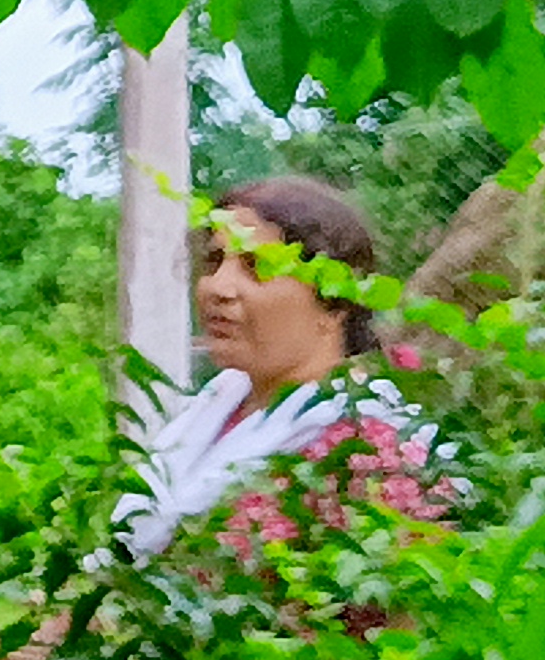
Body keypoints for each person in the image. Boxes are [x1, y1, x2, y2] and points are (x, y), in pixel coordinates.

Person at [121, 175, 439, 554]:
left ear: (334, 302)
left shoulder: (367, 442)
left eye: (257, 267)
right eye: (215, 260)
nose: (218, 288)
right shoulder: (216, 402)